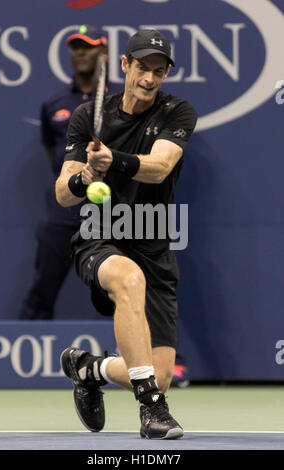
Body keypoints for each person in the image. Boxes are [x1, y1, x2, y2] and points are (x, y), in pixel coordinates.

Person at [56, 29, 197, 439]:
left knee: (161, 373)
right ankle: (152, 410)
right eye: (141, 67)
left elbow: (160, 166)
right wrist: (84, 177)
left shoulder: (178, 112)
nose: (148, 78)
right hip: (101, 237)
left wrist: (112, 159)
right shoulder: (87, 118)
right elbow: (64, 193)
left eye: (158, 70)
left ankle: (87, 367)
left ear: (166, 73)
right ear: (125, 66)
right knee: (128, 278)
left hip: (153, 245)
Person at [19, 25, 119, 320]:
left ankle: (141, 359)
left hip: (112, 212)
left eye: (88, 46)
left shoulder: (125, 101)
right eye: (76, 47)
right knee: (41, 289)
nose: (81, 53)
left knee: (128, 289)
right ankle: (28, 353)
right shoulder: (53, 104)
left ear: (106, 53)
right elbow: (55, 153)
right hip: (63, 211)